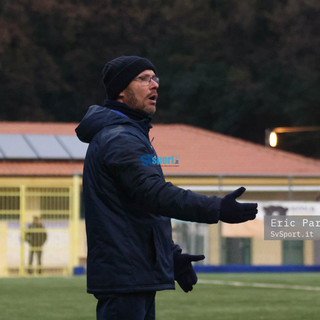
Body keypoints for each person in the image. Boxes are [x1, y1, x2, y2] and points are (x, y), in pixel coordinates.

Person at [76, 55, 257, 320]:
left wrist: (169, 255)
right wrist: (216, 208)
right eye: (143, 79)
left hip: (135, 275)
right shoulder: (120, 138)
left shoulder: (130, 134)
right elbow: (154, 194)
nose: (155, 85)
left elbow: (140, 209)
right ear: (120, 92)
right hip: (126, 278)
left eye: (155, 78)